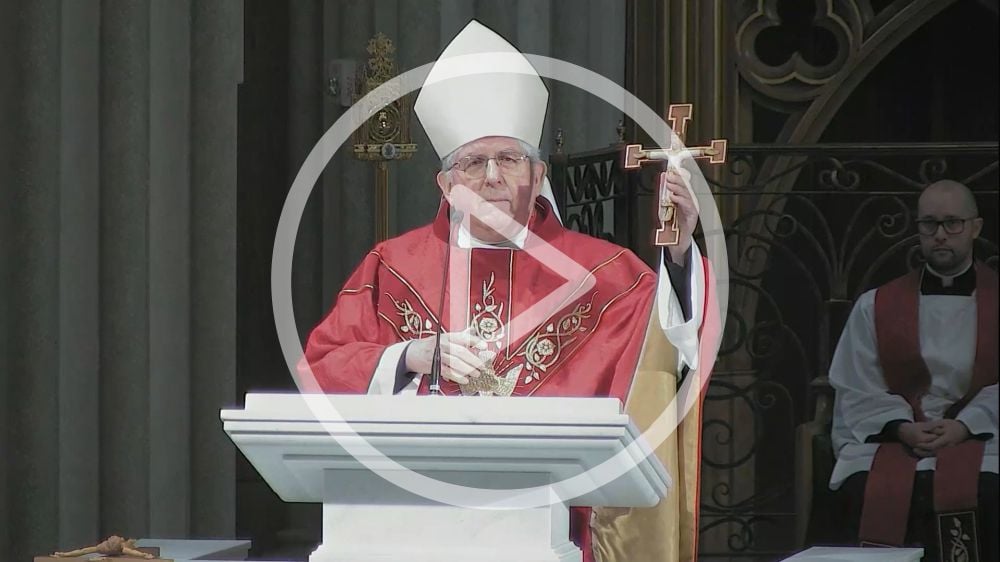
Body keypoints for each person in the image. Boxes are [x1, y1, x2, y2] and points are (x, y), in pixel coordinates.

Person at [301, 20, 720, 562]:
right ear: (446, 185)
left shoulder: (607, 275)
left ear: (538, 176)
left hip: (556, 525)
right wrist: (410, 356)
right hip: (414, 524)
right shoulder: (392, 266)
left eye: (509, 159)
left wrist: (680, 254)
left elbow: (668, 350)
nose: (493, 176)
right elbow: (324, 364)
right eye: (473, 162)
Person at [828, 180, 997, 561]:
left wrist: (964, 426)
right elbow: (857, 386)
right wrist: (901, 427)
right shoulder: (876, 305)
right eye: (929, 224)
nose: (940, 235)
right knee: (863, 488)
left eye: (952, 223)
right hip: (896, 440)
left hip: (983, 437)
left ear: (975, 227)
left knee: (988, 491)